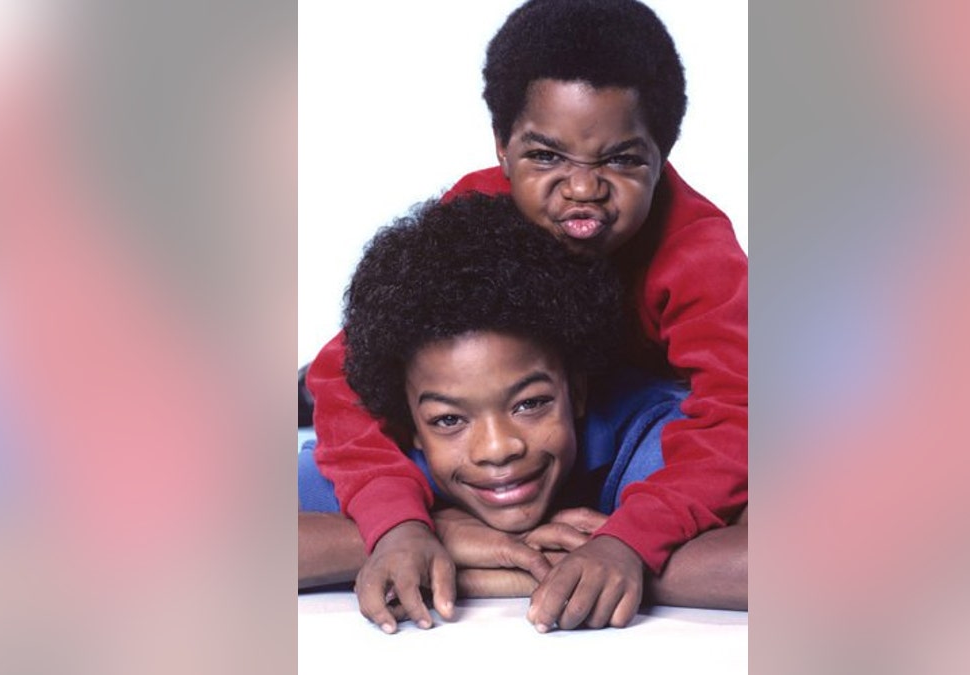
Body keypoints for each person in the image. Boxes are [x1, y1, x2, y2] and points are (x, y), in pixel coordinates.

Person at [305, 0, 748, 632]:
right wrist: (403, 524)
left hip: (622, 413)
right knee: (346, 403)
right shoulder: (476, 210)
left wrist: (630, 539)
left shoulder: (700, 252)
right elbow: (346, 375)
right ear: (504, 148)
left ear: (663, 151)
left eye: (621, 160)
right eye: (546, 157)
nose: (582, 188)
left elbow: (740, 410)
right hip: (514, 406)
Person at [299, 194, 747, 631]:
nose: (497, 449)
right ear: (409, 425)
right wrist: (421, 534)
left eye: (530, 404)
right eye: (449, 419)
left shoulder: (649, 441)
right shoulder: (390, 464)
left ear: (577, 392)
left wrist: (616, 560)